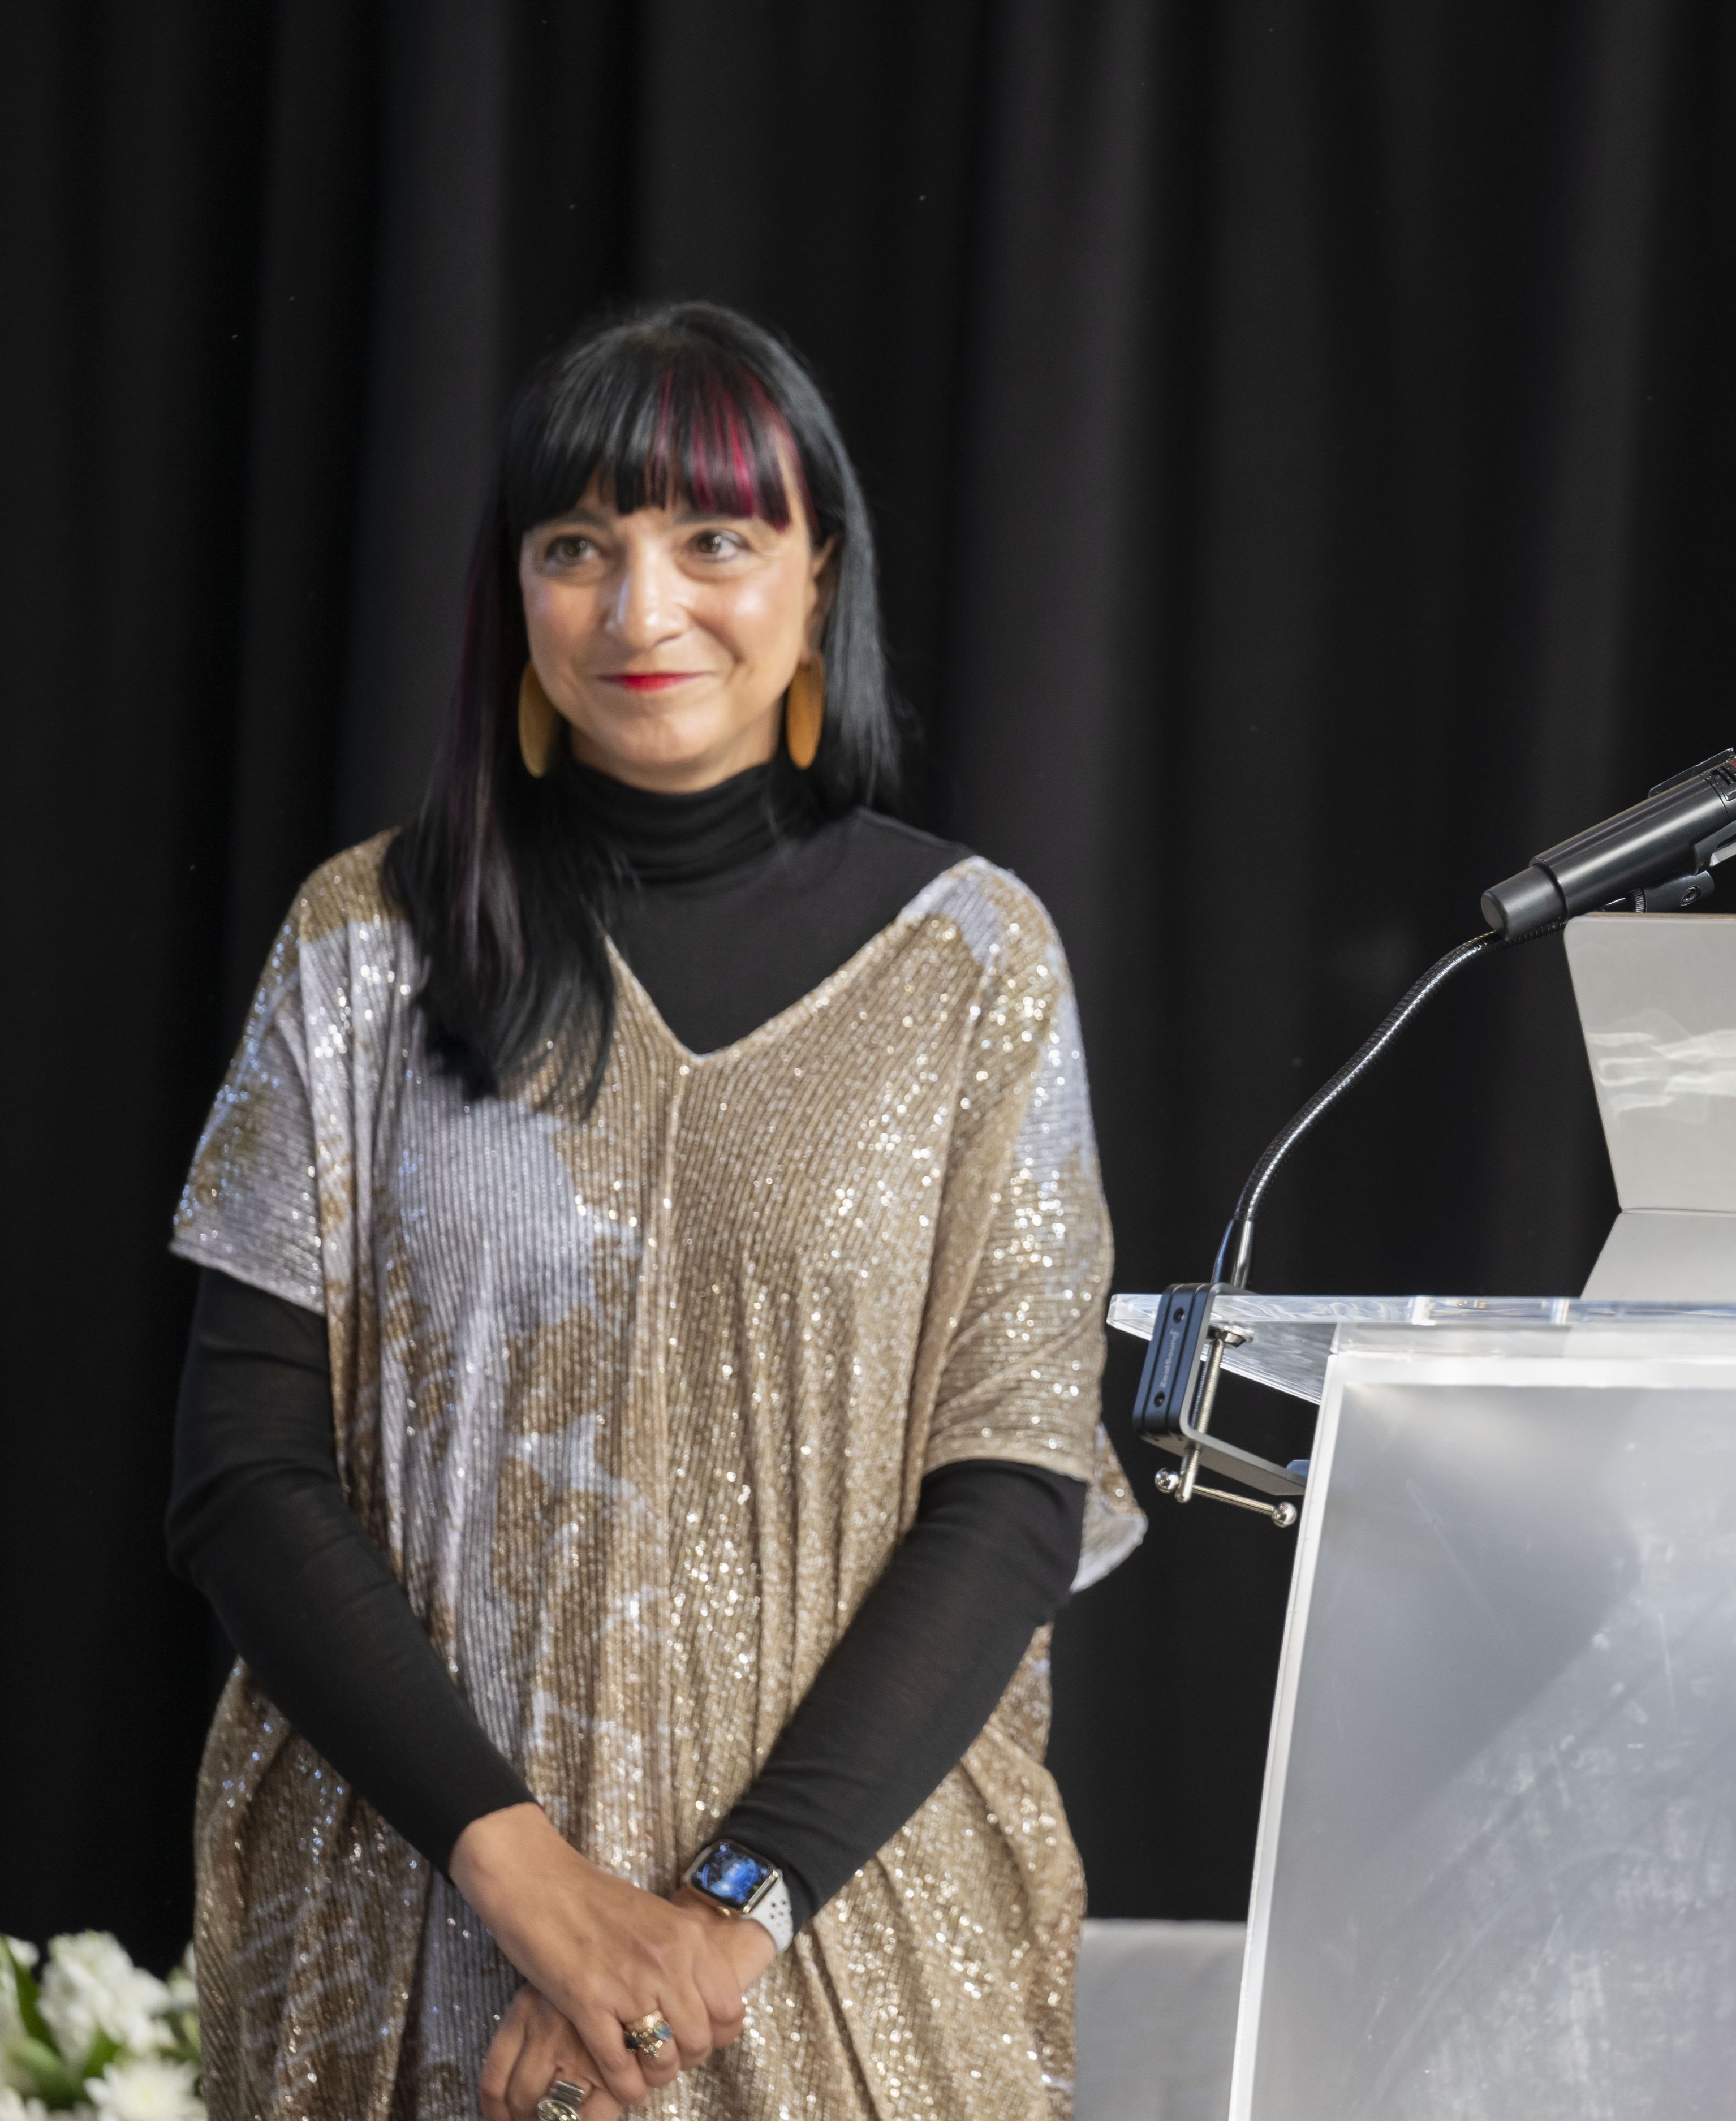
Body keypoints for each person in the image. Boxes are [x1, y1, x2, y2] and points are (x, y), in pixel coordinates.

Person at [166, 302, 1142, 2121]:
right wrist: (530, 1888)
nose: (642, 609)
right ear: (513, 600)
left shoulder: (976, 965)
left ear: (816, 575)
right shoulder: (365, 946)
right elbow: (243, 1472)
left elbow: (1014, 1491)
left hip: (841, 1961)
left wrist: (717, 1920)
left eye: (715, 538)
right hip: (422, 1947)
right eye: (575, 550)